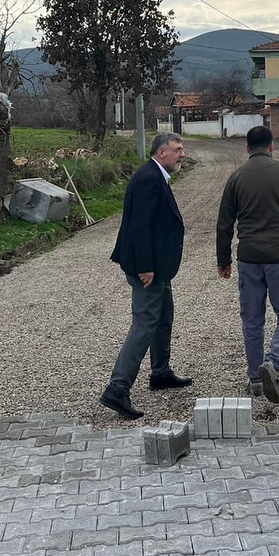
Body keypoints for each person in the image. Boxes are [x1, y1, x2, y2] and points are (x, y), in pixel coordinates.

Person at [101, 131, 190, 419]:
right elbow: (139, 226)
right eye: (177, 149)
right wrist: (145, 267)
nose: (182, 154)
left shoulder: (155, 174)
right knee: (144, 324)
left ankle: (160, 372)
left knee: (164, 317)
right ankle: (117, 388)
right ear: (161, 152)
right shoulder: (150, 178)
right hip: (147, 268)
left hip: (158, 267)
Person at [216, 126, 279, 402]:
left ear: (246, 148)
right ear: (271, 146)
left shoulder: (236, 177)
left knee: (252, 320)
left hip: (249, 257)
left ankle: (255, 379)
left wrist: (224, 260)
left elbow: (224, 224)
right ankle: (274, 362)